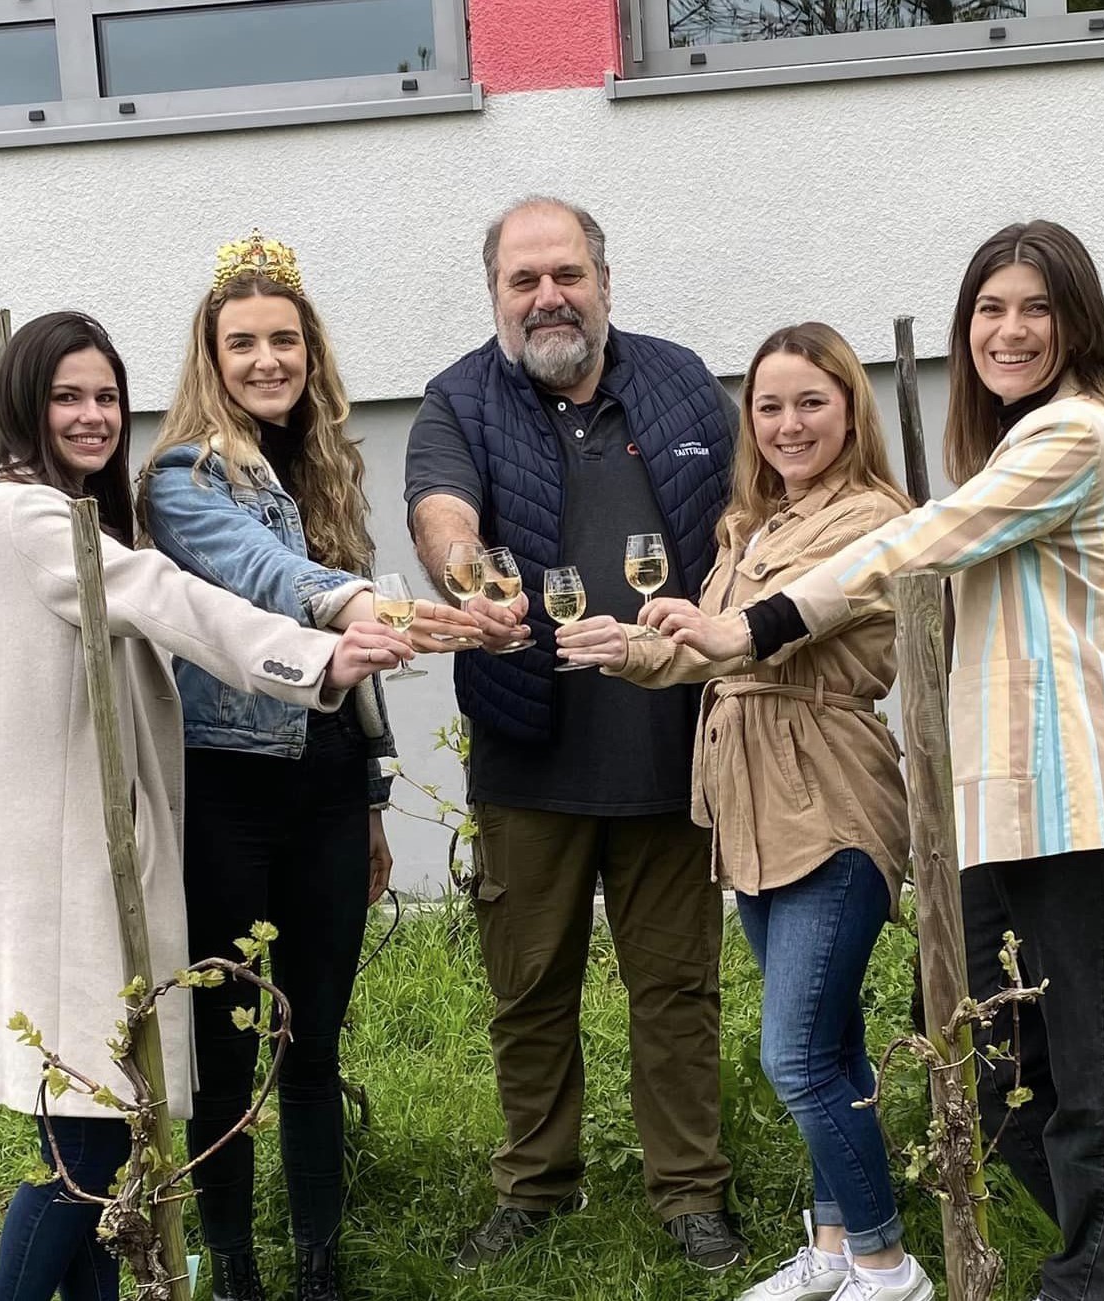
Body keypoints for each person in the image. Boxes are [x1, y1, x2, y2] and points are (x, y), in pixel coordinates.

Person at [655, 222, 1104, 1301]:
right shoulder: (1014, 442)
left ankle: (1086, 1277)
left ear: (1075, 325)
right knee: (977, 1045)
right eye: (988, 310)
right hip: (991, 797)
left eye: (1034, 309)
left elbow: (915, 542)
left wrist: (758, 624)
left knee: (1093, 1056)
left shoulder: (1075, 435)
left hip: (1081, 787)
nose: (1007, 330)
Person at [0, 311, 411, 1301]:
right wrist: (322, 651)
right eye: (66, 395)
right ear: (24, 403)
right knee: (89, 1145)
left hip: (77, 852)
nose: (93, 414)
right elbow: (170, 597)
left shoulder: (68, 513)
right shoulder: (22, 515)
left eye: (105, 395)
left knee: (94, 1133)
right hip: (52, 864)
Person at [403, 196, 748, 1273]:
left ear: (603, 278)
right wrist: (466, 573)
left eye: (565, 273)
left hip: (667, 750)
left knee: (677, 990)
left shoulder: (684, 380)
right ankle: (535, 1184)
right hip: (529, 750)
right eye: (523, 279)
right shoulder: (458, 398)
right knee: (529, 988)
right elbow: (440, 514)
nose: (547, 295)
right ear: (497, 295)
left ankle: (690, 1192)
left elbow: (748, 515)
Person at [556, 322, 933, 1301]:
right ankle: (832, 1247)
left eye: (810, 400)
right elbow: (707, 644)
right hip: (751, 804)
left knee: (796, 1052)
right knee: (835, 1041)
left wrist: (713, 632)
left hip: (827, 794)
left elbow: (770, 628)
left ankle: (887, 1262)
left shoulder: (871, 517)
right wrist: (627, 645)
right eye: (768, 404)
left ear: (848, 406)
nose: (786, 422)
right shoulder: (751, 525)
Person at [138, 232, 476, 1301]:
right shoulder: (180, 478)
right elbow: (262, 572)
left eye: (283, 338)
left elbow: (356, 677)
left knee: (316, 1038)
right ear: (211, 355)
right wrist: (363, 601)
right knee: (232, 1040)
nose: (265, 359)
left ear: (309, 350)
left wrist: (374, 803)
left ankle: (320, 1265)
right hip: (228, 792)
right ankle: (235, 1265)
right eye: (242, 342)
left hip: (327, 786)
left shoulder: (323, 468)